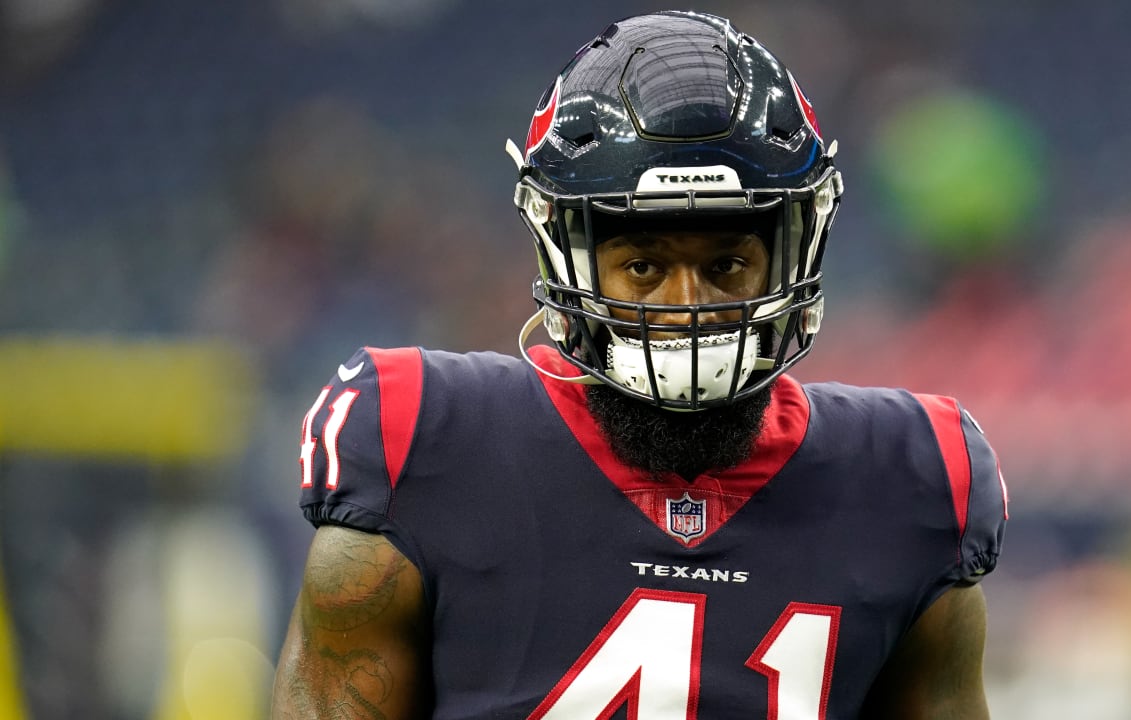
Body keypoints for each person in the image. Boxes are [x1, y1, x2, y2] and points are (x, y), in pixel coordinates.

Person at [272, 10, 1008, 719]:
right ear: (569, 257)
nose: (688, 305)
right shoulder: (419, 438)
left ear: (791, 253)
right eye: (643, 265)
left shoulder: (911, 481)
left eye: (726, 263)